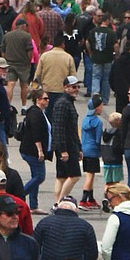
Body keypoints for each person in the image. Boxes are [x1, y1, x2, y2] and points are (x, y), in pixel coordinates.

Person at [50, 74, 83, 202]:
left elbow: (73, 129)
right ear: (65, 88)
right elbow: (58, 128)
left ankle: (57, 202)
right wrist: (63, 149)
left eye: (78, 86)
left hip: (70, 145)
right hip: (66, 146)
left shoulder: (68, 102)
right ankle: (60, 201)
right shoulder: (63, 103)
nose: (76, 89)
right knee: (74, 175)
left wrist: (79, 147)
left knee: (62, 177)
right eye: (73, 87)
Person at [19, 85, 52, 212]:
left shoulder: (38, 112)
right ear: (38, 100)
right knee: (40, 176)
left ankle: (33, 205)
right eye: (45, 98)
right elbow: (36, 133)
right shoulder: (36, 114)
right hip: (32, 151)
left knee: (35, 176)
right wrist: (40, 150)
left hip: (30, 149)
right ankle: (19, 195)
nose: (47, 100)